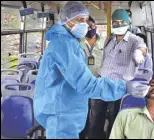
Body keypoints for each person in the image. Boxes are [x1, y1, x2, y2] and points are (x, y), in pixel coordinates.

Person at [33, 2, 142, 139]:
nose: (85, 24)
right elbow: (83, 82)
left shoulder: (70, 42)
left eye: (86, 20)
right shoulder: (63, 44)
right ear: (66, 19)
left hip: (65, 108)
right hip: (61, 111)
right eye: (80, 20)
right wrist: (123, 87)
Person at [88, 9, 147, 139]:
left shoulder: (134, 40)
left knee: (115, 123)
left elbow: (142, 46)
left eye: (122, 21)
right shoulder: (110, 39)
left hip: (119, 87)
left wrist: (139, 53)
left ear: (128, 22)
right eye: (115, 22)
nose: (119, 24)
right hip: (101, 83)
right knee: (95, 120)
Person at [79, 16, 106, 139]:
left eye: (92, 26)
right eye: (87, 27)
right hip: (82, 84)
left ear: (96, 26)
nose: (90, 29)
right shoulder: (77, 43)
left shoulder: (105, 43)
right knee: (81, 114)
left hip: (98, 84)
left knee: (98, 115)